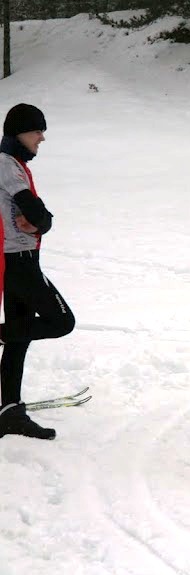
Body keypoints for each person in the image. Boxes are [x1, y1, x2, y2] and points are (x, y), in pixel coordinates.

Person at [0, 103, 76, 440]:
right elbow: (39, 215)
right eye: (37, 131)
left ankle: (9, 412)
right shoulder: (7, 167)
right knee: (61, 321)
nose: (41, 138)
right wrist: (41, 221)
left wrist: (40, 221)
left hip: (21, 258)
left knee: (20, 335)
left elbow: (39, 218)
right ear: (19, 132)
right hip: (18, 261)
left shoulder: (12, 164)